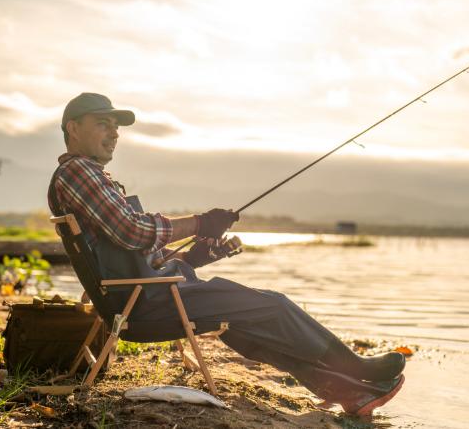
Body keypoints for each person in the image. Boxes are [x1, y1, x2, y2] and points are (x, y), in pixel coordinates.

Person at [48, 92, 405, 416]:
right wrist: (201, 222)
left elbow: (136, 253)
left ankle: (349, 392)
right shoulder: (78, 171)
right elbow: (134, 231)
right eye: (103, 124)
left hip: (141, 296)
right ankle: (356, 368)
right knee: (274, 305)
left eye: (116, 127)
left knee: (247, 326)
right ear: (73, 128)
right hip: (144, 305)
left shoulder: (93, 177)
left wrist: (196, 256)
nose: (113, 134)